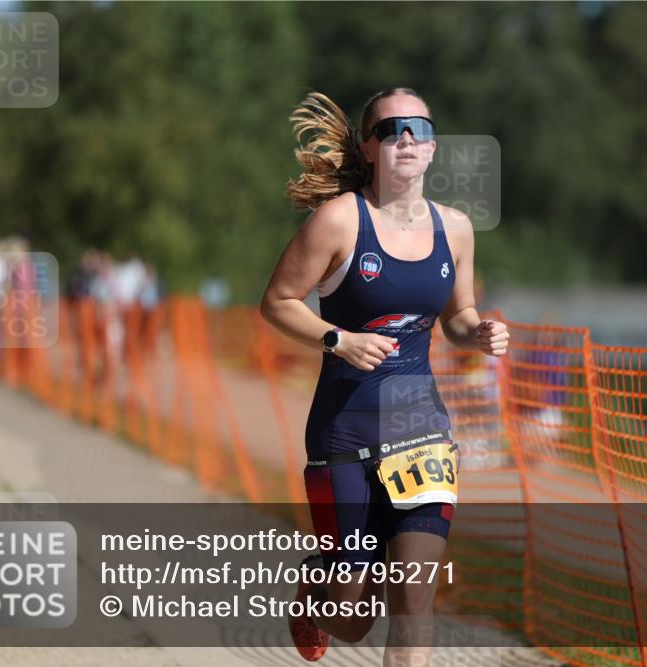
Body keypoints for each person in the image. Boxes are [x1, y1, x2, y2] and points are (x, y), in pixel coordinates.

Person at [260, 88, 509, 664]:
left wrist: (479, 333)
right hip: (344, 433)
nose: (405, 138)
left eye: (418, 129)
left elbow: (458, 315)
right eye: (392, 129)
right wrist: (339, 340)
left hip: (421, 430)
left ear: (432, 148)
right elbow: (277, 301)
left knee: (414, 601)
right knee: (351, 621)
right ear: (369, 148)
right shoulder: (340, 221)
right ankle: (315, 592)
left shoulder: (457, 229)